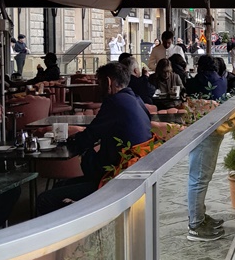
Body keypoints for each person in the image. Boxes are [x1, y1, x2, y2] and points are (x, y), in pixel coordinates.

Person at [36, 63, 152, 215]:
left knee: (44, 199)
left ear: (108, 82)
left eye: (99, 83)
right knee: (60, 187)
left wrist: (67, 142)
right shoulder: (137, 100)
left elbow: (88, 137)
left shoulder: (115, 102)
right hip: (132, 176)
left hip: (114, 181)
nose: (98, 87)